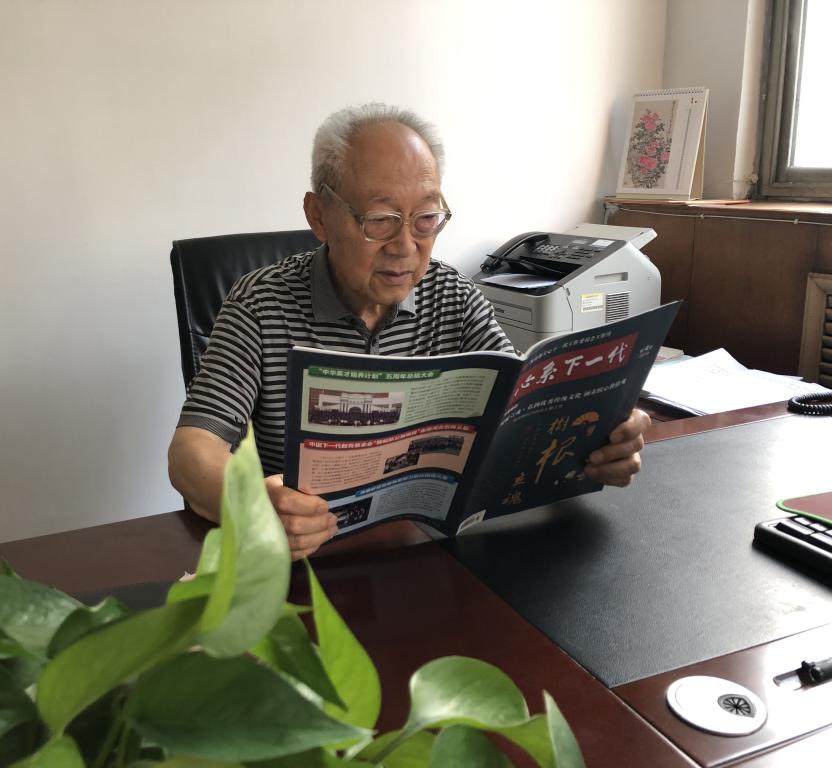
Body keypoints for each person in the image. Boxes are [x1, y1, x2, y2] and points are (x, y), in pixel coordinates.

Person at [168, 103, 651, 559]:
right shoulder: (260, 303)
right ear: (319, 215)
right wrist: (252, 506)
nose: (405, 246)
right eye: (380, 220)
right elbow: (192, 450)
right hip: (312, 560)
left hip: (429, 553)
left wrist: (599, 435)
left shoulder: (452, 294)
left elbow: (516, 410)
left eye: (425, 219)